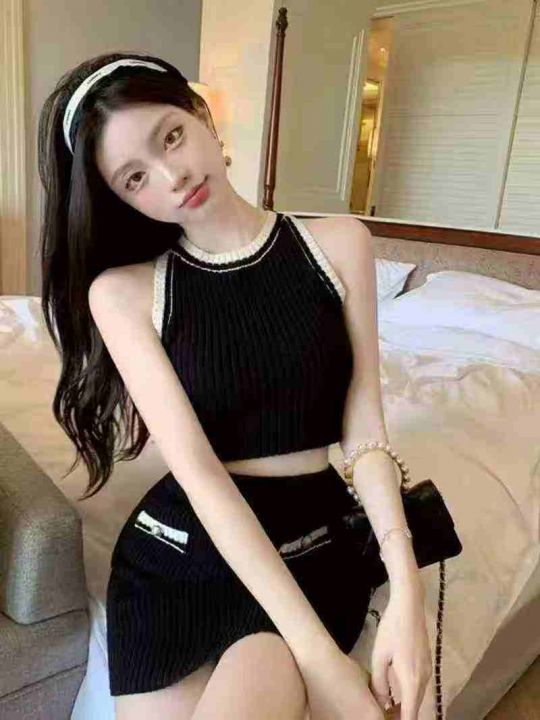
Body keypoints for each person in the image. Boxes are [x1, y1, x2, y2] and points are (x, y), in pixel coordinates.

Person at [37, 51, 432, 720]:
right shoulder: (126, 292)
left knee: (265, 677)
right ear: (122, 199)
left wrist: (406, 593)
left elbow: (366, 434)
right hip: (180, 551)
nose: (172, 176)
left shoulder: (339, 244)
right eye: (136, 178)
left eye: (170, 136)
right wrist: (322, 661)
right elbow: (199, 474)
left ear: (202, 114)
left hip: (309, 541)